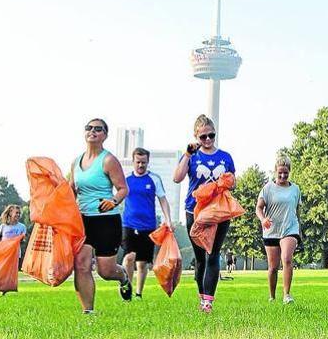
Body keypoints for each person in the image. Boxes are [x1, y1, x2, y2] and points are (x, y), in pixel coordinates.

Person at [173, 114, 235, 313]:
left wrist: (226, 182)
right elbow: (177, 178)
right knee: (200, 258)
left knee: (213, 254)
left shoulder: (225, 157)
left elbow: (233, 181)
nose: (208, 140)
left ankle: (208, 302)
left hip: (218, 213)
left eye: (211, 135)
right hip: (195, 211)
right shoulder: (192, 157)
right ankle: (202, 295)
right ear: (196, 137)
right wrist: (188, 154)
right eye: (203, 137)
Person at [70, 118, 131, 314]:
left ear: (105, 135)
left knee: (105, 271)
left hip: (106, 220)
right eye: (89, 128)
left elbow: (123, 189)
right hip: (83, 221)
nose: (93, 132)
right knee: (81, 265)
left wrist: (113, 201)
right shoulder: (75, 163)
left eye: (98, 129)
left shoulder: (108, 160)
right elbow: (70, 190)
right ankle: (88, 312)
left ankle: (123, 277)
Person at [122, 147, 174, 300]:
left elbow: (163, 200)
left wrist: (168, 219)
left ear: (148, 162)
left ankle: (138, 293)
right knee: (129, 257)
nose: (140, 165)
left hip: (149, 226)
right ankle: (127, 288)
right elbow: (116, 196)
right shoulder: (126, 180)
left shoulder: (154, 179)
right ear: (133, 162)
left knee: (142, 263)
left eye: (143, 162)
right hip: (129, 224)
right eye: (138, 162)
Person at [256, 153, 302, 304]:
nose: (283, 175)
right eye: (280, 172)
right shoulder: (267, 188)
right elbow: (259, 208)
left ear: (289, 171)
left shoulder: (295, 189)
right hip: (271, 230)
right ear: (275, 171)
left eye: (286, 173)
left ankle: (287, 295)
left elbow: (298, 210)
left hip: (290, 228)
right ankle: (272, 296)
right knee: (273, 267)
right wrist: (263, 219)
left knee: (287, 259)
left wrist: (298, 228)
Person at [0, 204, 27, 296]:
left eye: (19, 213)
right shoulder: (3, 226)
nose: (18, 215)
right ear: (10, 213)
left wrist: (21, 239)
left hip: (15, 254)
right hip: (4, 253)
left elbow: (23, 240)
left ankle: (3, 291)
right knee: (0, 272)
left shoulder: (22, 227)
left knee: (9, 274)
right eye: (16, 213)